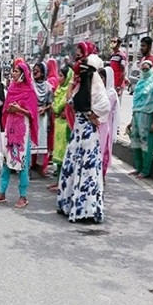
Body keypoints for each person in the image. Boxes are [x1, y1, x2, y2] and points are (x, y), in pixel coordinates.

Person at [57, 55, 110, 223]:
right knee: (87, 170)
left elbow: (69, 101)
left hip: (80, 134)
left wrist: (88, 115)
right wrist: (92, 116)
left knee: (75, 167)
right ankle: (85, 208)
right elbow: (102, 108)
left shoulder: (82, 88)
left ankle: (72, 206)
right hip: (86, 134)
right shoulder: (93, 87)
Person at [0, 61, 39, 208]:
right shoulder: (11, 88)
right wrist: (9, 110)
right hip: (11, 129)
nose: (13, 73)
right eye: (13, 71)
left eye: (16, 71)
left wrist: (19, 109)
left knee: (22, 163)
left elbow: (33, 114)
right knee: (7, 161)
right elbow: (5, 109)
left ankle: (23, 196)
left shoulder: (30, 91)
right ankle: (2, 193)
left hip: (23, 131)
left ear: (23, 73)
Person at [126, 60, 153, 179]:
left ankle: (145, 170)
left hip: (148, 117)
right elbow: (135, 104)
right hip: (137, 116)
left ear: (151, 69)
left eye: (147, 69)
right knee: (136, 142)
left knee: (147, 144)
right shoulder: (140, 83)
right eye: (143, 69)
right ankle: (138, 167)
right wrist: (131, 121)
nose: (145, 71)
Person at [49, 64, 74, 192]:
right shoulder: (59, 88)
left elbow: (57, 107)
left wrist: (56, 108)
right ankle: (58, 181)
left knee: (63, 154)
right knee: (58, 154)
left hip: (65, 126)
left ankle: (62, 182)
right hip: (58, 123)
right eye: (58, 75)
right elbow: (54, 107)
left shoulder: (67, 92)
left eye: (61, 76)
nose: (59, 78)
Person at [31, 62, 53, 177]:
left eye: (37, 71)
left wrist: (44, 108)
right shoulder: (30, 85)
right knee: (31, 141)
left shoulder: (48, 87)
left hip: (43, 117)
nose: (34, 72)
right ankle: (29, 167)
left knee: (41, 141)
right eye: (34, 70)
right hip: (32, 116)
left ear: (43, 73)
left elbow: (50, 103)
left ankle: (40, 167)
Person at [99, 67, 120, 178]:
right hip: (98, 123)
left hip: (105, 125)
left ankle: (102, 175)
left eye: (102, 77)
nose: (100, 80)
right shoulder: (99, 91)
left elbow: (105, 110)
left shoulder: (111, 94)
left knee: (103, 149)